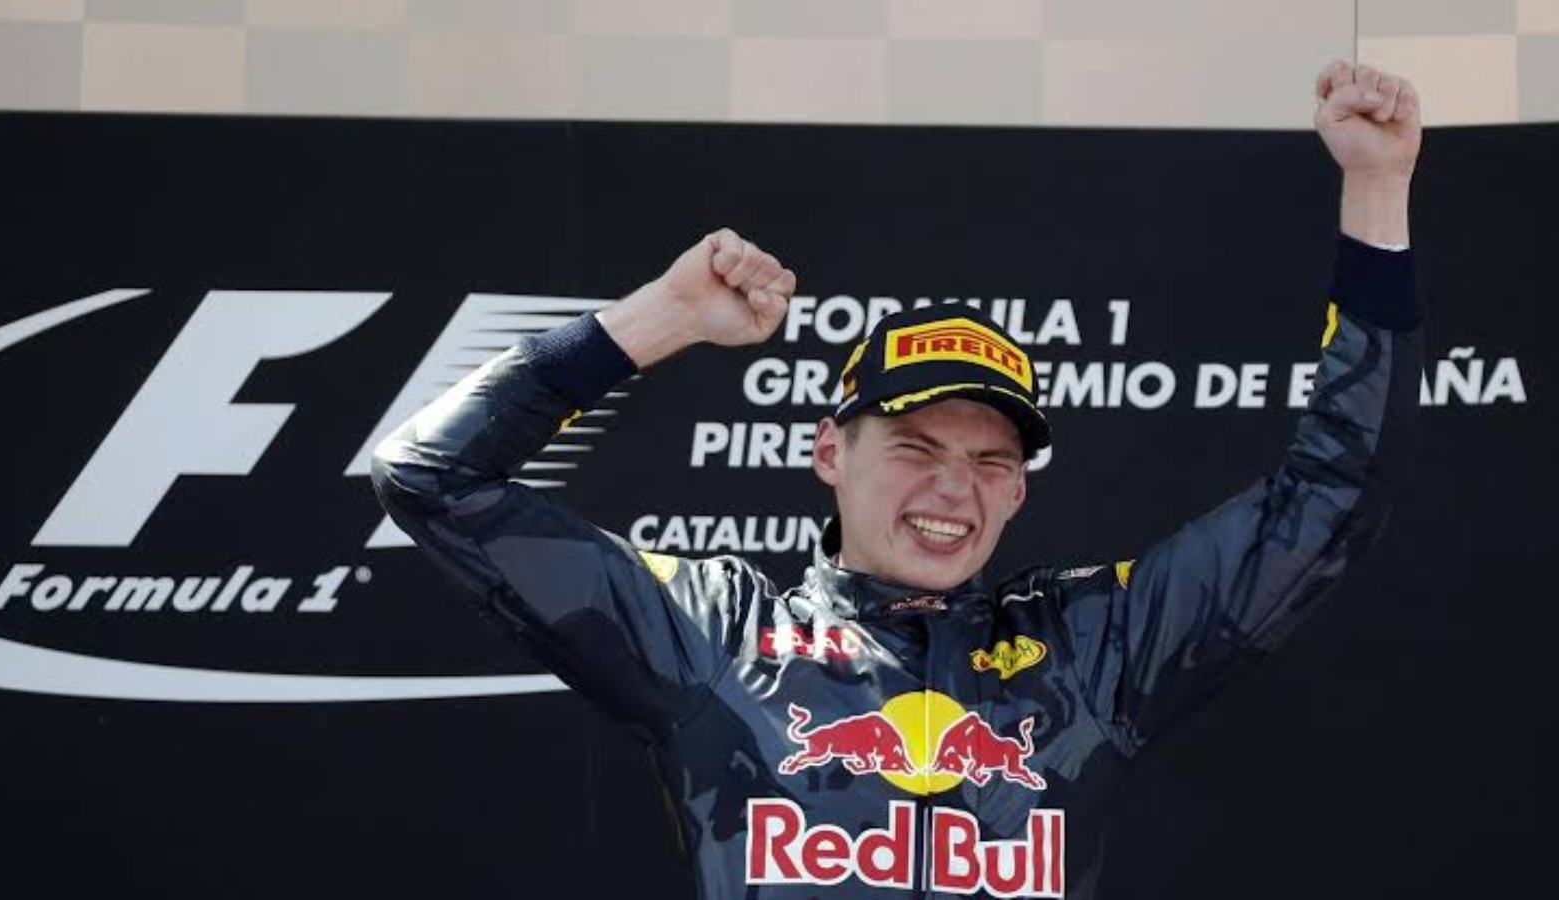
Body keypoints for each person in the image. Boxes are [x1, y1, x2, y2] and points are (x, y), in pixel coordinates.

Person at [371, 60, 1422, 898]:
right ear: (830, 453)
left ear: (1017, 492)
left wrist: (1375, 191)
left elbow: (1330, 498)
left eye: (988, 462)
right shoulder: (714, 632)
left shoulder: (1096, 646)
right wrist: (663, 319)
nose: (951, 489)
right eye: (916, 448)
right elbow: (429, 476)